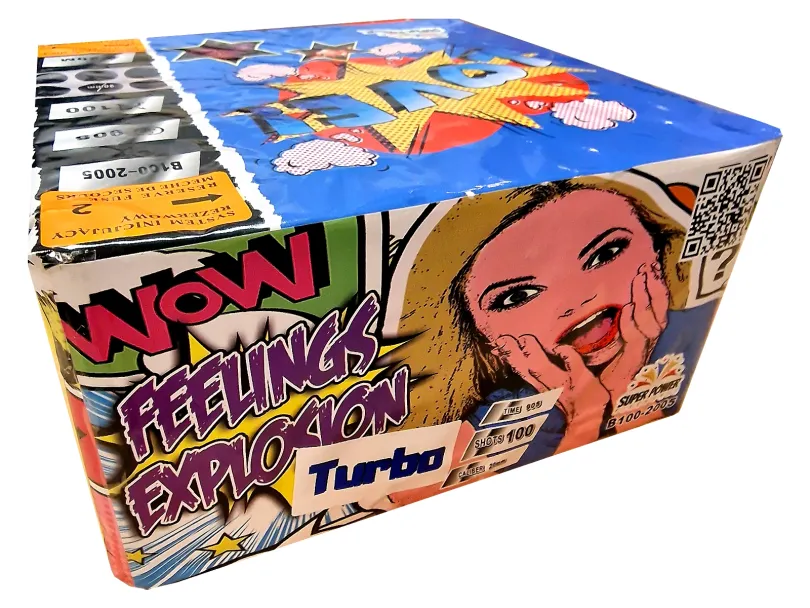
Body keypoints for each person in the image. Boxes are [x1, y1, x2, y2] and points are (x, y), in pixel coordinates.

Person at [394, 178, 697, 465]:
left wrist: (628, 384)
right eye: (517, 296)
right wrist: (585, 416)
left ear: (656, 247)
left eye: (606, 253)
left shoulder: (694, 331)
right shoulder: (481, 424)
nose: (578, 300)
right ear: (482, 337)